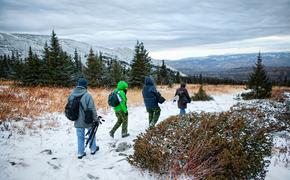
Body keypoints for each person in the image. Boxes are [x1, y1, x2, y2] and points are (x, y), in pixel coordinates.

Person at [68, 77, 99, 159]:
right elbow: (92, 109)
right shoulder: (87, 95)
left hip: (77, 120)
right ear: (85, 86)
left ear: (77, 85)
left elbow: (69, 107)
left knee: (80, 137)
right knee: (91, 134)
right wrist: (96, 119)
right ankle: (93, 149)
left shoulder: (71, 95)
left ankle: (80, 153)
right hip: (88, 120)